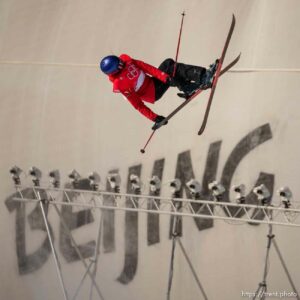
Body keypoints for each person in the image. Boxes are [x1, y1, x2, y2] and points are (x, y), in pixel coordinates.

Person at [100, 54, 218, 130]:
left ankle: (188, 87)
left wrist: (164, 77)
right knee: (170, 67)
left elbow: (147, 68)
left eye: (120, 61)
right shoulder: (121, 85)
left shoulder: (128, 61)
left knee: (168, 64)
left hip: (153, 82)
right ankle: (202, 77)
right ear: (114, 70)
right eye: (120, 64)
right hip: (153, 92)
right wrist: (154, 118)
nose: (122, 63)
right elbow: (137, 105)